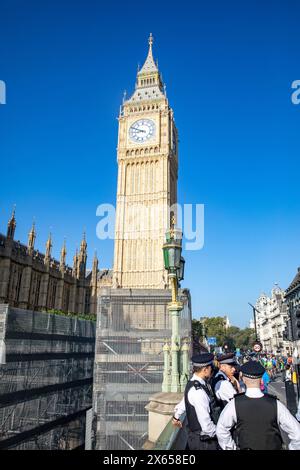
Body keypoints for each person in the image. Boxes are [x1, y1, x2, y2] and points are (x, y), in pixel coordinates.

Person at [216, 361, 300, 450]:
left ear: (243, 379)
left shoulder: (234, 404)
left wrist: (231, 448)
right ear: (261, 380)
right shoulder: (276, 404)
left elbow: (221, 430)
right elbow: (297, 433)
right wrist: (292, 447)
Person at [172, 353, 220, 450]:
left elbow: (183, 403)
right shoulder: (198, 392)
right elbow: (206, 426)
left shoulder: (192, 384)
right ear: (205, 369)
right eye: (211, 367)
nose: (212, 369)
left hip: (197, 439)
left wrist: (176, 416)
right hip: (205, 442)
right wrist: (223, 433)